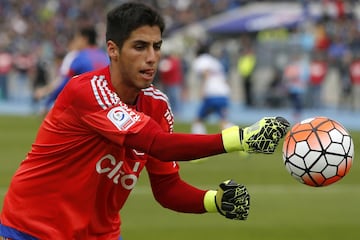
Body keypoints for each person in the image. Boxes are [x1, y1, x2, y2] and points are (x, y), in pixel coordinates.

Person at [0, 2, 290, 239]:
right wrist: (239, 140)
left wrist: (214, 201)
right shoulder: (86, 91)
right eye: (140, 47)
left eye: (156, 46)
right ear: (113, 49)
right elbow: (158, 144)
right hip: (30, 230)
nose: (152, 57)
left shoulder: (158, 106)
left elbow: (167, 188)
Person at [34, 26, 109, 114]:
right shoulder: (105, 57)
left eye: (77, 38)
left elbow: (65, 84)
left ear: (84, 39)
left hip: (88, 107)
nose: (76, 42)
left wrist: (47, 103)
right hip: (107, 106)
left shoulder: (80, 58)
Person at [191, 43, 233, 134]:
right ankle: (236, 137)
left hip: (211, 93)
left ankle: (199, 141)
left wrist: (202, 90)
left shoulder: (200, 60)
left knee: (198, 120)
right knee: (223, 120)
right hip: (223, 93)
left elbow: (205, 73)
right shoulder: (214, 61)